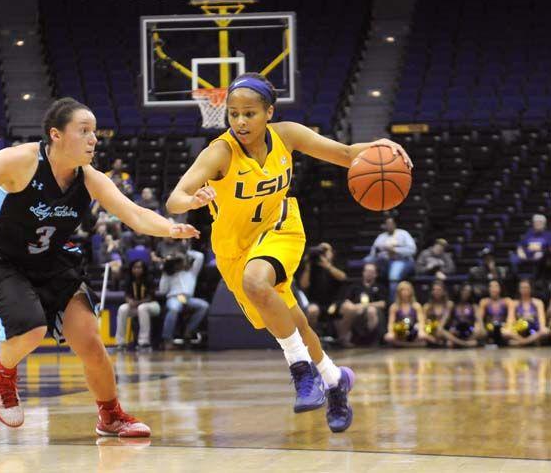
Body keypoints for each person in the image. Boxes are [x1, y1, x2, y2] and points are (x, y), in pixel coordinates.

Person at [0, 97, 199, 437]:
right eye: (84, 131)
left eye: (94, 133)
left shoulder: (89, 178)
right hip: (1, 260)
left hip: (52, 260)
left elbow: (132, 213)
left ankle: (111, 416)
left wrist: (169, 228)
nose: (93, 139)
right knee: (31, 329)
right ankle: (3, 374)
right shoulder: (21, 161)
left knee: (90, 341)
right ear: (56, 135)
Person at [165, 72, 412, 432]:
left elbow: (344, 154)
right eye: (233, 114)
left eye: (249, 113)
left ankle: (301, 373)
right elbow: (175, 199)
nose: (240, 121)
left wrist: (383, 146)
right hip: (235, 247)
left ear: (268, 111)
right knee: (294, 322)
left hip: (281, 228)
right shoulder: (218, 152)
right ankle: (333, 379)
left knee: (257, 280)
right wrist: (193, 198)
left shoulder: (288, 135)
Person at [158, 249, 209, 349]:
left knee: (204, 306)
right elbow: (163, 291)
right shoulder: (169, 275)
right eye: (177, 262)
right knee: (174, 309)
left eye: (180, 261)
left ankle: (188, 330)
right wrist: (165, 273)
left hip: (188, 298)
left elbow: (200, 256)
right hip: (174, 297)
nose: (180, 264)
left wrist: (185, 252)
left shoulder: (191, 272)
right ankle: (167, 339)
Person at [297, 242, 346, 332]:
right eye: (320, 250)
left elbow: (343, 277)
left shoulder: (336, 263)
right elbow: (304, 285)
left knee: (348, 308)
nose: (323, 253)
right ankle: (312, 337)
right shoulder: (311, 266)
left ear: (332, 253)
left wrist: (327, 266)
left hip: (334, 302)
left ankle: (343, 338)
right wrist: (308, 266)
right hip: (315, 302)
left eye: (325, 250)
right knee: (312, 310)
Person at [365, 217, 417, 300]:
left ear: (395, 224)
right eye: (387, 224)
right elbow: (373, 253)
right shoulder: (381, 237)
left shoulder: (403, 234)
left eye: (391, 223)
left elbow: (412, 250)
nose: (389, 226)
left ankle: (392, 303)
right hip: (385, 261)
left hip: (401, 260)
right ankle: (366, 292)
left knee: (394, 275)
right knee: (367, 261)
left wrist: (395, 250)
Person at [337, 263, 387, 346]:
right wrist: (354, 308)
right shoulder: (355, 286)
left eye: (371, 271)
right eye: (367, 271)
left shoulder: (380, 287)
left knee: (371, 311)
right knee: (345, 307)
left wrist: (363, 306)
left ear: (376, 274)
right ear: (363, 273)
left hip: (374, 313)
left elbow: (383, 303)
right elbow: (347, 301)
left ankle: (370, 339)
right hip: (356, 313)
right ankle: (343, 338)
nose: (368, 273)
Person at [115, 260, 160, 350]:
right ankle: (120, 342)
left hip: (152, 306)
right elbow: (127, 295)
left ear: (143, 269)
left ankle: (144, 342)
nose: (137, 270)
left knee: (142, 308)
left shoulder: (149, 279)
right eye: (134, 268)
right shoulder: (129, 279)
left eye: (139, 268)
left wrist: (137, 303)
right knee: (122, 308)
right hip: (136, 306)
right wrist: (129, 301)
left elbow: (150, 297)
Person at [504, 279, 550, 346]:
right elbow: (510, 321)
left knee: (545, 331)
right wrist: (510, 329)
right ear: (519, 289)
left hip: (534, 332)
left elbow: (542, 322)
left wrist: (541, 329)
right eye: (522, 287)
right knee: (506, 332)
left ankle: (522, 343)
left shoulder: (538, 302)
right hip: (519, 333)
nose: (524, 290)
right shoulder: (514, 303)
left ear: (530, 289)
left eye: (526, 287)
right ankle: (529, 342)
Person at [384, 281, 426, 347]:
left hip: (413, 331)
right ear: (399, 292)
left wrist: (421, 331)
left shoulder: (416, 306)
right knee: (388, 337)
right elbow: (391, 322)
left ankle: (403, 344)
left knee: (423, 336)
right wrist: (390, 332)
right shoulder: (394, 307)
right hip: (400, 331)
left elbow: (421, 321)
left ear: (411, 292)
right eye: (403, 290)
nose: (405, 292)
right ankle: (411, 345)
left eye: (407, 290)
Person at [441, 284, 483, 348]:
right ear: (459, 291)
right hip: (455, 333)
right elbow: (441, 326)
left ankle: (463, 343)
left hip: (469, 333)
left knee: (480, 330)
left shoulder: (474, 307)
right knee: (441, 331)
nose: (465, 293)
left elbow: (482, 327)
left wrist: (478, 328)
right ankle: (463, 344)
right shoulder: (452, 305)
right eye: (464, 290)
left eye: (468, 292)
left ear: (471, 293)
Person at [476, 280, 511, 346]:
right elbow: (480, 318)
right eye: (491, 286)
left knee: (508, 333)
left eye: (496, 286)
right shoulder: (484, 301)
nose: (493, 288)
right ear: (488, 289)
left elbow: (510, 318)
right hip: (489, 329)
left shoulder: (507, 301)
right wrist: (481, 328)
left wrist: (508, 328)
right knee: (478, 331)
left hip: (503, 329)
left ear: (500, 288)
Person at [421, 280, 453, 346]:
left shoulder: (449, 304)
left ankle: (462, 343)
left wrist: (439, 328)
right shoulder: (427, 307)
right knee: (422, 334)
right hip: (430, 332)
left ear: (444, 292)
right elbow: (423, 322)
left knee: (442, 332)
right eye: (434, 290)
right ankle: (437, 342)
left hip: (444, 330)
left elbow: (445, 320)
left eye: (439, 290)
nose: (436, 292)